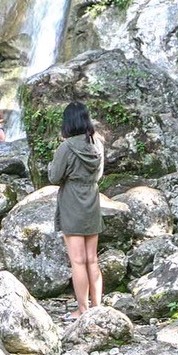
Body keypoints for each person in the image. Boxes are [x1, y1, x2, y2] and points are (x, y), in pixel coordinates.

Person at [48, 101, 105, 316]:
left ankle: (82, 310)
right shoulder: (97, 144)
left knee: (77, 260)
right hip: (92, 199)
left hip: (72, 201)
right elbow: (99, 175)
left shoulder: (66, 147)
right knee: (92, 258)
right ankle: (97, 307)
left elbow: (54, 177)